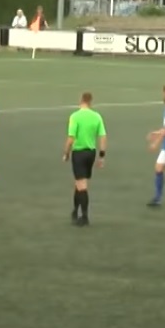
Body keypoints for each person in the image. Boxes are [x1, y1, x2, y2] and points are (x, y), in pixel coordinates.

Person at [63, 92, 106, 227]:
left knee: (82, 185)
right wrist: (101, 156)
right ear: (90, 101)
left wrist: (66, 153)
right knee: (79, 183)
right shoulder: (97, 116)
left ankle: (85, 216)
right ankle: (75, 211)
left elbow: (71, 138)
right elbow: (102, 137)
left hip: (79, 153)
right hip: (91, 153)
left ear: (81, 100)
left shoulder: (75, 116)